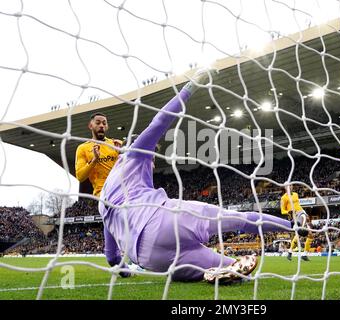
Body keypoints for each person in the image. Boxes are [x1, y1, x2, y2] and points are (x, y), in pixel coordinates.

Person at [98, 70, 294, 284]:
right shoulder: (135, 154)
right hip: (163, 220)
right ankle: (293, 227)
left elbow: (112, 256)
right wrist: (189, 88)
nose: (153, 160)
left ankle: (223, 271)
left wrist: (126, 272)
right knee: (237, 219)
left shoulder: (103, 199)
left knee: (234, 268)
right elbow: (159, 122)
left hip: (150, 258)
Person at [75, 113, 122, 197]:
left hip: (121, 189)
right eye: (98, 123)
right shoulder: (83, 148)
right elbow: (80, 176)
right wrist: (94, 160)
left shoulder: (116, 144)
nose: (101, 126)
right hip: (102, 194)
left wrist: (123, 151)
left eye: (104, 123)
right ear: (90, 126)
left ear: (107, 126)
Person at [280, 187, 313, 261]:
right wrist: (289, 212)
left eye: (291, 185)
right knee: (304, 233)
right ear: (285, 187)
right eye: (288, 186)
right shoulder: (283, 198)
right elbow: (282, 211)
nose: (290, 187)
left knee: (309, 235)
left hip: (301, 212)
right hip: (295, 216)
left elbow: (298, 205)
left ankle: (292, 252)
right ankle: (297, 253)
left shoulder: (296, 194)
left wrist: (303, 212)